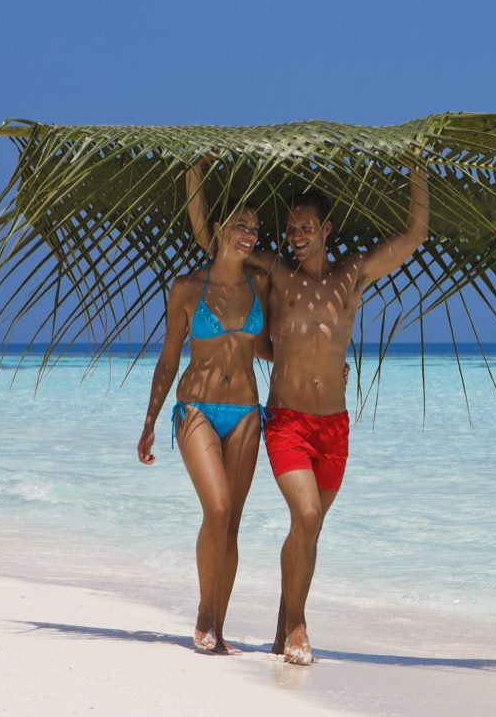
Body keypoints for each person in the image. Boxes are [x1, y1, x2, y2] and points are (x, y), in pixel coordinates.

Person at [188, 157, 429, 663]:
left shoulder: (353, 273)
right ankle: (298, 626)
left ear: (326, 228)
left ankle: (281, 630)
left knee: (309, 529)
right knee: (307, 512)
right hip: (287, 422)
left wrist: (417, 171)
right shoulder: (275, 272)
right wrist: (197, 175)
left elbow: (413, 237)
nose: (295, 235)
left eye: (305, 227)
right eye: (292, 228)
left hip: (335, 427)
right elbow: (213, 241)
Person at [136, 203, 270, 656]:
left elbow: (272, 348)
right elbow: (170, 358)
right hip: (196, 409)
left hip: (248, 412)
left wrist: (327, 365)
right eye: (239, 226)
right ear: (218, 229)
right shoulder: (188, 289)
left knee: (231, 524)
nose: (248, 235)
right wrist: (150, 421)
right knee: (216, 509)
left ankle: (219, 627)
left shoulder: (261, 284)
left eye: (254, 228)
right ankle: (203, 612)